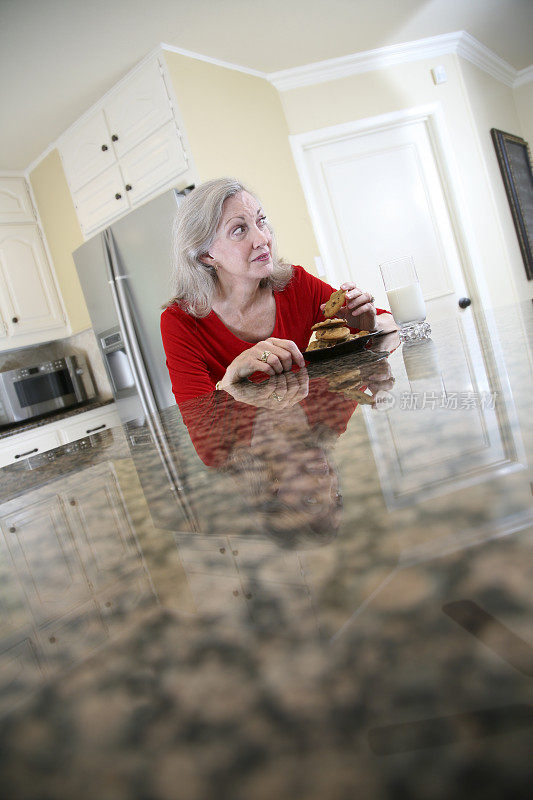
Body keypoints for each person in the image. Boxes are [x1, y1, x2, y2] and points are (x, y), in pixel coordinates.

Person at [160, 177, 396, 406]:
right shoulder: (180, 322)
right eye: (239, 230)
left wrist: (369, 326)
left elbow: (390, 321)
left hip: (315, 433)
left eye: (261, 221)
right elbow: (199, 421)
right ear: (206, 255)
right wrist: (232, 377)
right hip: (251, 446)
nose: (262, 238)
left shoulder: (295, 284)